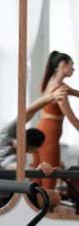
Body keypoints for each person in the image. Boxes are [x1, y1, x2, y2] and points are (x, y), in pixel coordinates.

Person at [0, 86, 68, 210]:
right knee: (55, 197)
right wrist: (38, 169)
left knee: (50, 196)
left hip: (2, 191)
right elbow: (17, 168)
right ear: (32, 150)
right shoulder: (8, 155)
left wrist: (51, 97)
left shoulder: (6, 135)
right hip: (0, 196)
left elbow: (28, 113)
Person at [34, 51, 79, 190]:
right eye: (72, 65)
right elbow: (71, 117)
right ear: (63, 65)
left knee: (39, 178)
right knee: (50, 177)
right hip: (49, 135)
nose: (73, 68)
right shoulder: (59, 89)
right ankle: (47, 210)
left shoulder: (53, 82)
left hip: (42, 130)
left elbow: (76, 93)